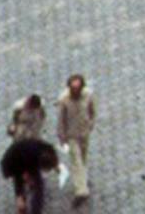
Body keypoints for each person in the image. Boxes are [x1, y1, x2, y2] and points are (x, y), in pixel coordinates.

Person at [55, 73, 96, 204]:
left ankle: (82, 179)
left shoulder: (88, 95)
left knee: (82, 158)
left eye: (78, 88)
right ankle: (81, 190)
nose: (75, 91)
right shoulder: (64, 100)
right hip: (71, 135)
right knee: (76, 161)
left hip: (84, 133)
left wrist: (90, 124)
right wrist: (62, 136)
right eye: (73, 88)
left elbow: (92, 111)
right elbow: (61, 120)